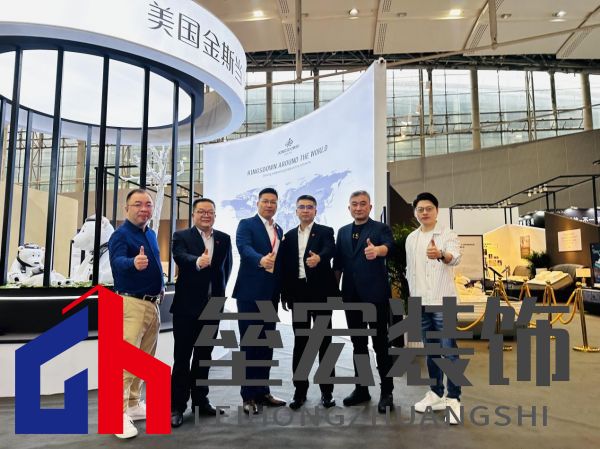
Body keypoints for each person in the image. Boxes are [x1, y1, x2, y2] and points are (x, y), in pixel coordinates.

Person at [170, 198, 232, 428]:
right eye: (202, 211)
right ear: (194, 214)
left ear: (215, 215)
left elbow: (226, 268)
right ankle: (176, 406)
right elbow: (180, 257)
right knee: (182, 358)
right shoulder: (181, 236)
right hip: (186, 308)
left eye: (210, 212)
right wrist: (197, 261)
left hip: (213, 307)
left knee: (204, 357)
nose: (206, 215)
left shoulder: (224, 238)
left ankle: (200, 402)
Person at [108, 188, 164, 439]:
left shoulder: (150, 233)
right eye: (138, 204)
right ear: (126, 209)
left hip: (152, 304)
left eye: (148, 204)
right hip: (131, 304)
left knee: (143, 360)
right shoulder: (120, 235)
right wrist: (133, 263)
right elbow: (117, 262)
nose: (144, 209)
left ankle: (132, 404)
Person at [333, 190, 395, 414]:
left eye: (362, 204)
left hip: (375, 296)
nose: (358, 208)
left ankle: (387, 392)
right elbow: (338, 264)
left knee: (380, 344)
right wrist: (334, 290)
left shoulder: (380, 229)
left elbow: (390, 247)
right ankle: (362, 389)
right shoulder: (342, 232)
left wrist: (377, 250)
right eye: (354, 204)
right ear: (349, 208)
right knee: (358, 344)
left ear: (370, 207)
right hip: (351, 296)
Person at [405, 192, 462, 424]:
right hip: (420, 303)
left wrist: (440, 254)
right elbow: (411, 271)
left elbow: (455, 257)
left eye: (429, 208)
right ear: (415, 212)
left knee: (449, 352)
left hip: (442, 302)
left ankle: (454, 399)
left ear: (437, 210)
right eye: (420, 209)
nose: (424, 212)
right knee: (431, 352)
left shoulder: (448, 234)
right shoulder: (411, 238)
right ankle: (436, 394)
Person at [280, 195, 337, 410]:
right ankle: (300, 391)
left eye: (309, 207)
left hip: (321, 294)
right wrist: (285, 295)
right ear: (296, 211)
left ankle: (327, 392)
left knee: (324, 343)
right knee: (301, 343)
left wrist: (319, 258)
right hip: (299, 294)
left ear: (316, 210)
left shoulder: (325, 231)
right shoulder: (288, 236)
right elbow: (286, 268)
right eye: (301, 207)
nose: (305, 210)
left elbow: (330, 249)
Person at [232, 187, 286, 414]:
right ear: (258, 203)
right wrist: (260, 259)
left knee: (266, 345)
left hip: (270, 295)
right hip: (249, 294)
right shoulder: (246, 224)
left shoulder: (279, 229)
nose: (269, 205)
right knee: (250, 345)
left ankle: (263, 391)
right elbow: (244, 248)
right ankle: (248, 395)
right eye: (265, 201)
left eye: (273, 202)